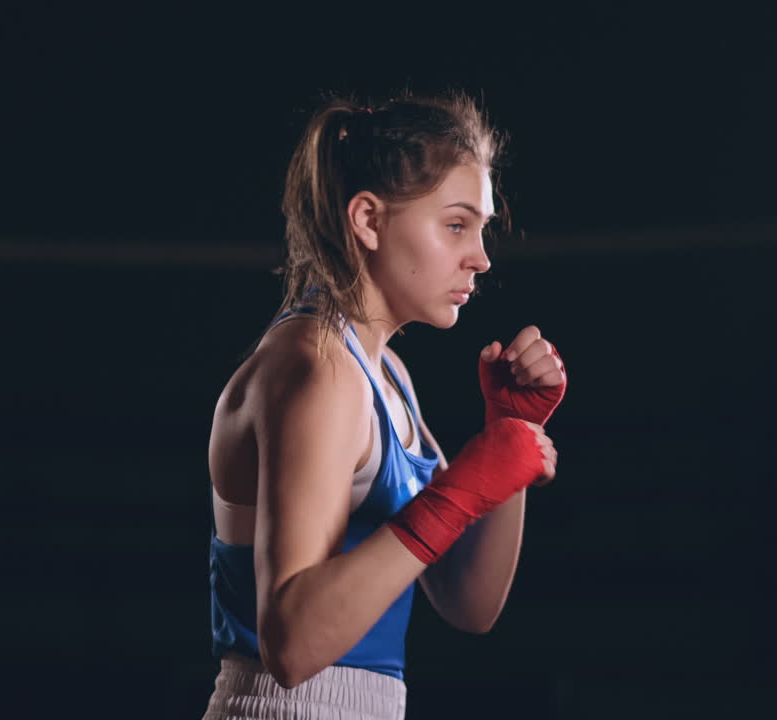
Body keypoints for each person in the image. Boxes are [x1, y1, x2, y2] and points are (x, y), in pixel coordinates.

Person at [201, 91, 568, 720]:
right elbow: (290, 648)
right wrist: (460, 493)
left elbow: (467, 603)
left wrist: (510, 434)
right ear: (368, 220)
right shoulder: (315, 369)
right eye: (456, 225)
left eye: (481, 229)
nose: (479, 257)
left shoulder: (385, 372)